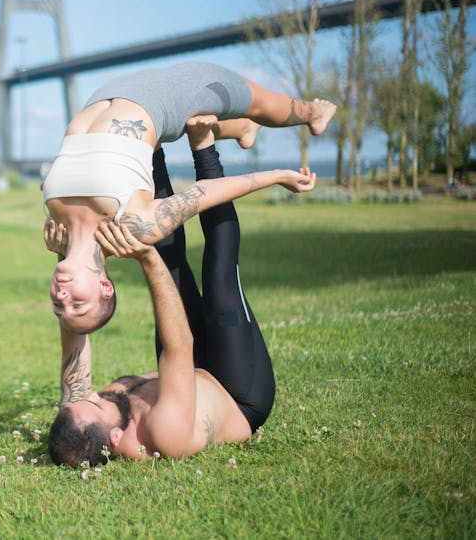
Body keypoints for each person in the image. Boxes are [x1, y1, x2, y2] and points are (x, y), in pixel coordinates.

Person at [43, 61, 334, 334]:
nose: (62, 295)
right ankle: (314, 114)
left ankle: (241, 128)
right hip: (159, 99)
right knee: (253, 98)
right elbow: (202, 194)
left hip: (106, 93)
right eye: (77, 304)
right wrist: (276, 177)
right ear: (104, 286)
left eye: (58, 305)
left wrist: (63, 250)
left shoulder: (58, 231)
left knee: (200, 118)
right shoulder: (133, 228)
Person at [46, 127, 276, 467]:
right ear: (114, 437)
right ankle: (204, 146)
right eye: (94, 403)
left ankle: (150, 149)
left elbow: (73, 329)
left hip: (184, 371)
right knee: (219, 276)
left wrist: (68, 255)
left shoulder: (83, 414)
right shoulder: (164, 433)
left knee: (169, 258)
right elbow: (179, 344)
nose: (90, 393)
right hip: (237, 392)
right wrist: (146, 258)